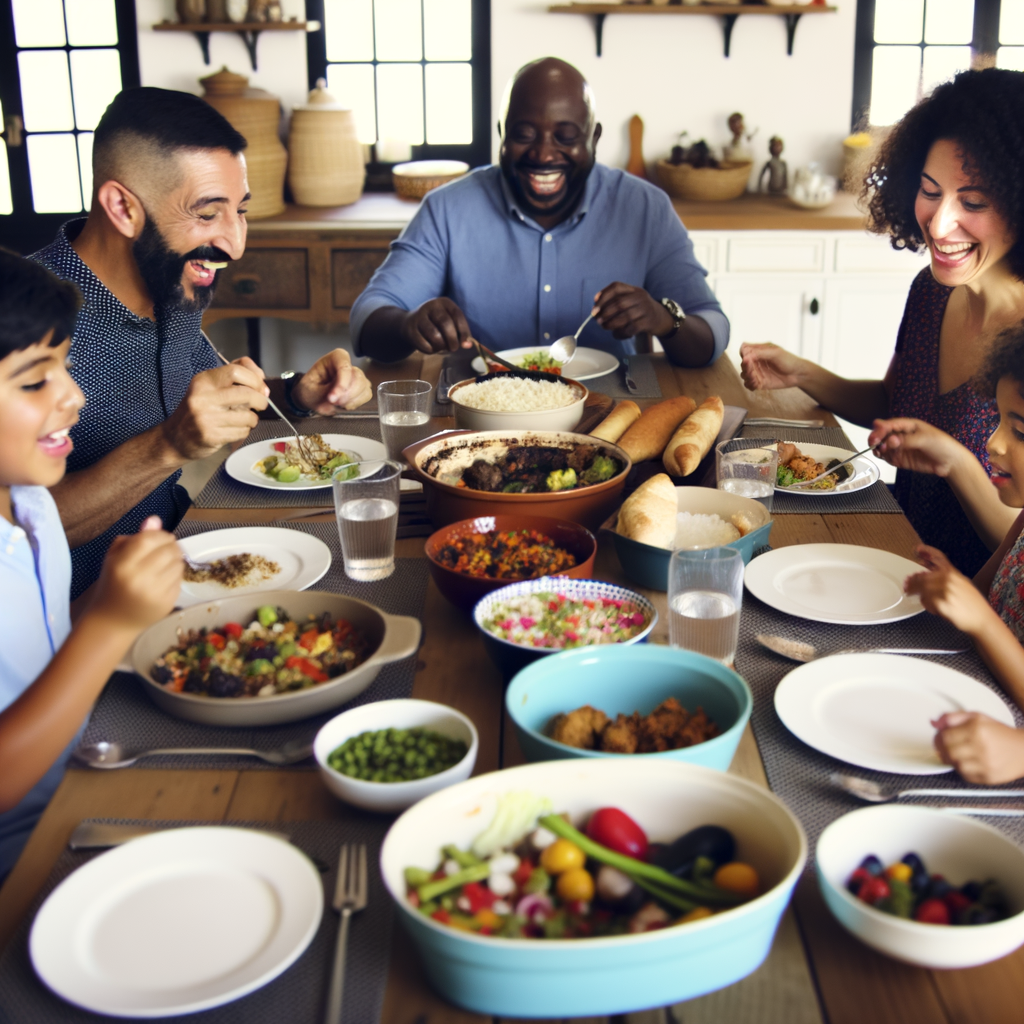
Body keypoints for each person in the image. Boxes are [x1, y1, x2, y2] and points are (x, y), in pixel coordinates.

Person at [31, 87, 372, 599]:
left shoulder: (167, 282)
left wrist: (296, 392)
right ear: (122, 207)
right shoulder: (23, 322)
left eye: (241, 211)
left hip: (185, 561)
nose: (235, 244)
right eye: (208, 214)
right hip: (76, 620)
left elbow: (200, 398)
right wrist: (167, 447)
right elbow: (17, 534)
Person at [740, 69, 1024, 576]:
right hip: (897, 554)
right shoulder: (932, 290)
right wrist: (804, 375)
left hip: (979, 607)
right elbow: (898, 403)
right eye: (930, 191)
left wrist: (955, 461)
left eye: (973, 202)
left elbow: (1017, 552)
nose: (939, 224)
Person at [351, 57, 728, 366]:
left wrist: (664, 320)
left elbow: (712, 330)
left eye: (566, 137)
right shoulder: (448, 209)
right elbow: (366, 319)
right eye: (524, 134)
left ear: (593, 139)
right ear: (502, 133)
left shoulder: (644, 208)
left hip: (610, 413)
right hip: (476, 415)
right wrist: (407, 325)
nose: (544, 154)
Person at [0, 251, 184, 879]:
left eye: (67, 368)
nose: (74, 398)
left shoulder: (30, 504)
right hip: (24, 851)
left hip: (90, 769)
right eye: (33, 381)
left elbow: (39, 648)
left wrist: (115, 598)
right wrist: (108, 624)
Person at [897, 323, 1024, 784]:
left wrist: (981, 620)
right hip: (970, 693)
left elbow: (986, 620)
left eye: (1020, 431)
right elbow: (985, 595)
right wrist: (952, 587)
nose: (993, 443)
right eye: (1000, 420)